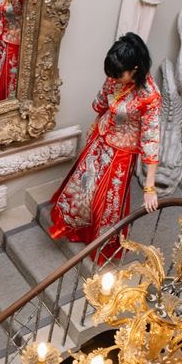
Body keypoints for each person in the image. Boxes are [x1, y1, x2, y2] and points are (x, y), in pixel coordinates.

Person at [49, 32, 161, 261]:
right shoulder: (115, 77)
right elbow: (100, 102)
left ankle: (101, 242)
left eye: (119, 75)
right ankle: (75, 226)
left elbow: (151, 139)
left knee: (108, 200)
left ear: (136, 69)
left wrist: (149, 187)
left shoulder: (150, 96)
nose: (114, 78)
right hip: (101, 138)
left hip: (122, 152)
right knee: (85, 185)